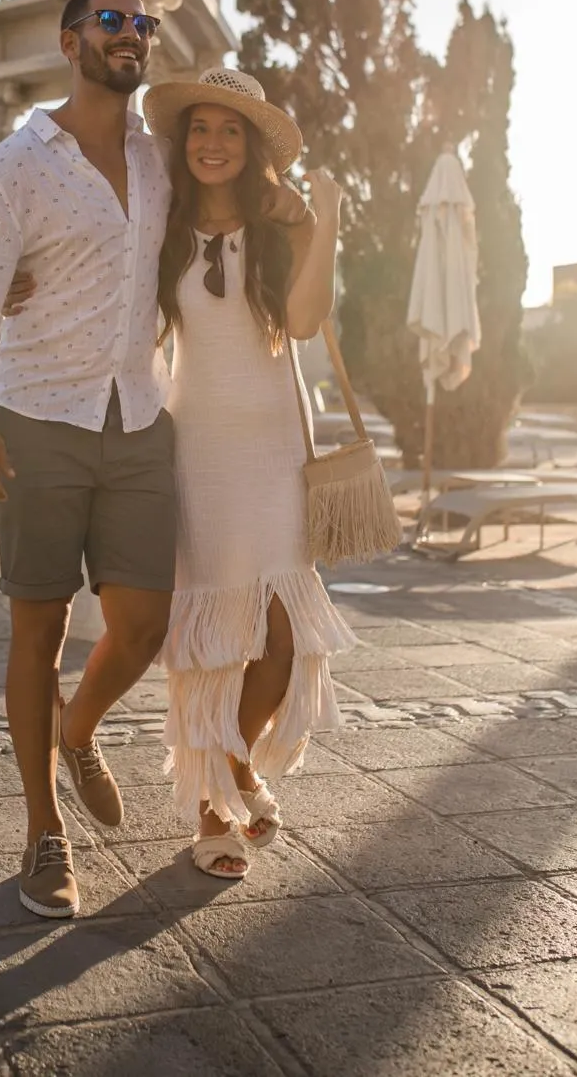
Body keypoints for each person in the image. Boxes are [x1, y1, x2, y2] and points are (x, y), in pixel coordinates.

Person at [0, 0, 307, 918]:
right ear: (70, 41)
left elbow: (229, 194)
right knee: (39, 628)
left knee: (144, 625)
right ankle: (42, 837)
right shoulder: (15, 165)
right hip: (37, 417)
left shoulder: (161, 161)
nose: (131, 34)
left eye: (143, 24)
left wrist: (296, 206)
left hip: (141, 420)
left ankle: (80, 727)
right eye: (111, 21)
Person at [141, 68, 356, 878]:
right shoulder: (161, 228)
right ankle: (211, 813)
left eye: (230, 130)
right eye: (200, 128)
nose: (212, 143)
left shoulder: (282, 227)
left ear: (253, 145)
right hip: (196, 447)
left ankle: (231, 766)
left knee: (282, 630)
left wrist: (325, 218)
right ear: (183, 141)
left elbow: (302, 321)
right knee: (206, 635)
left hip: (273, 450)